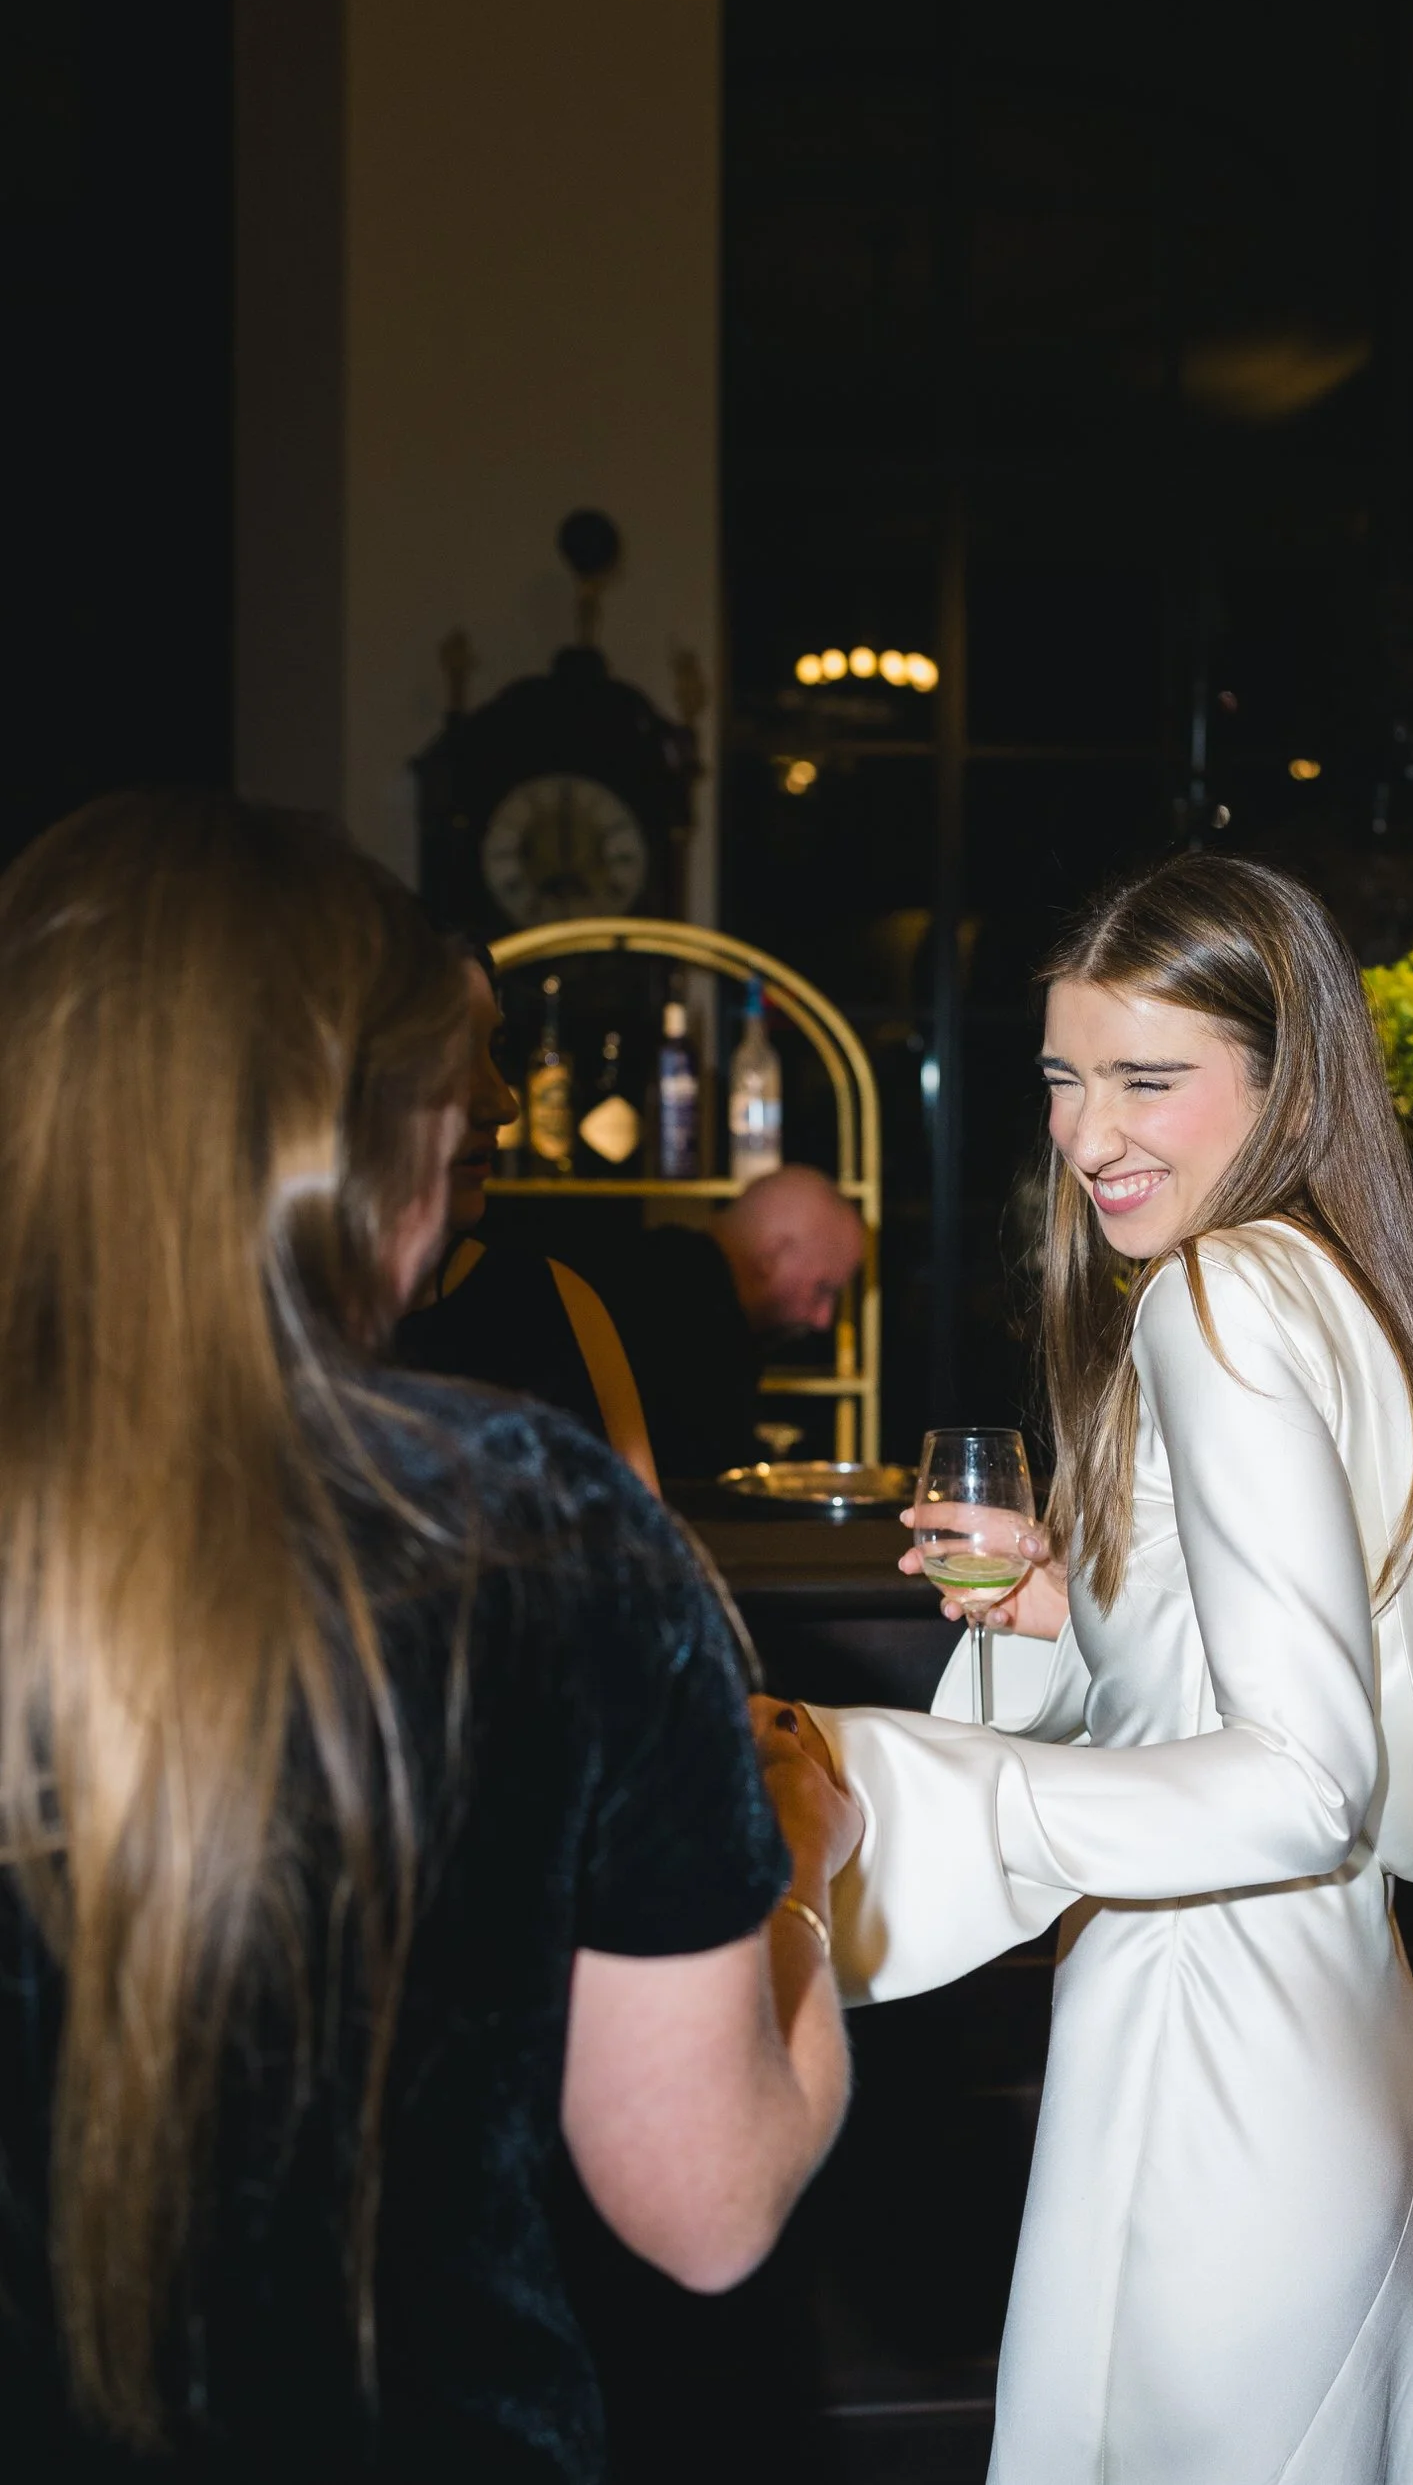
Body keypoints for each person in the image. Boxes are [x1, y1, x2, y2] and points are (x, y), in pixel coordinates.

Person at [0, 792, 858, 2480]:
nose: (480, 1127)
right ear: (353, 1144)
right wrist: (801, 1879)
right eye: (444, 1098)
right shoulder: (532, 1527)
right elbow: (707, 2204)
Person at [783, 856, 1413, 2485]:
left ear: (1285, 1085)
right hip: (1337, 2024)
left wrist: (901, 1788)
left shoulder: (1211, 1298)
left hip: (1208, 2037)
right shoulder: (1341, 1282)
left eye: (1147, 1080)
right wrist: (1086, 1606)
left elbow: (1300, 1780)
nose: (1087, 1137)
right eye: (1062, 1080)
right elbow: (1308, 1662)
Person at [395, 945, 659, 1491]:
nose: (502, 1104)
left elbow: (650, 1540)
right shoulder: (252, 1326)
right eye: (450, 1057)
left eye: (492, 1051)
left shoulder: (559, 1304)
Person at [605, 1165, 866, 1479]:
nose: (823, 1320)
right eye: (822, 1289)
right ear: (773, 1254)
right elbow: (714, 1483)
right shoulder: (701, 1322)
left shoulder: (660, 1266)